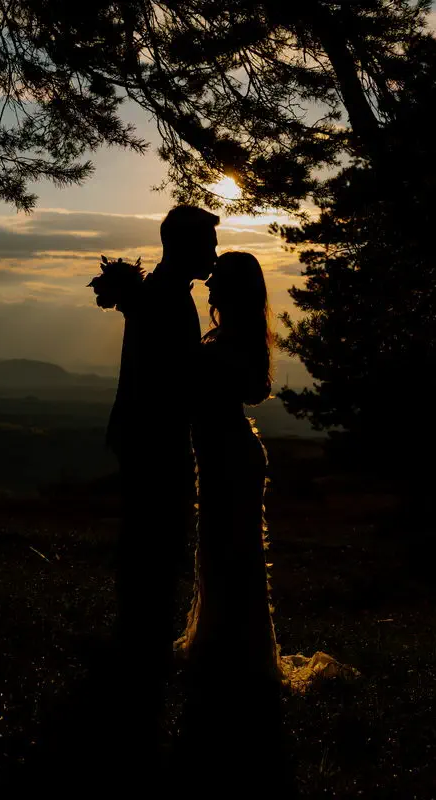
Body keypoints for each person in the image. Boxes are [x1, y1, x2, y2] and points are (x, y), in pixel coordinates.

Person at [93, 205, 220, 761]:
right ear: (185, 245)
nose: (214, 254)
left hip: (144, 433)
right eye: (209, 244)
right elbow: (175, 376)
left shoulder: (166, 290)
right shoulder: (169, 296)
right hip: (154, 436)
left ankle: (138, 641)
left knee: (149, 537)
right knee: (156, 538)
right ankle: (141, 649)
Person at [171, 250, 288, 777]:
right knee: (218, 552)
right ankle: (225, 652)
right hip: (218, 454)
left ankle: (235, 659)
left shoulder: (231, 341)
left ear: (233, 290)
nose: (209, 286)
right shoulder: (228, 338)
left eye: (217, 281)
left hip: (231, 456)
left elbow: (249, 389)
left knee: (231, 554)